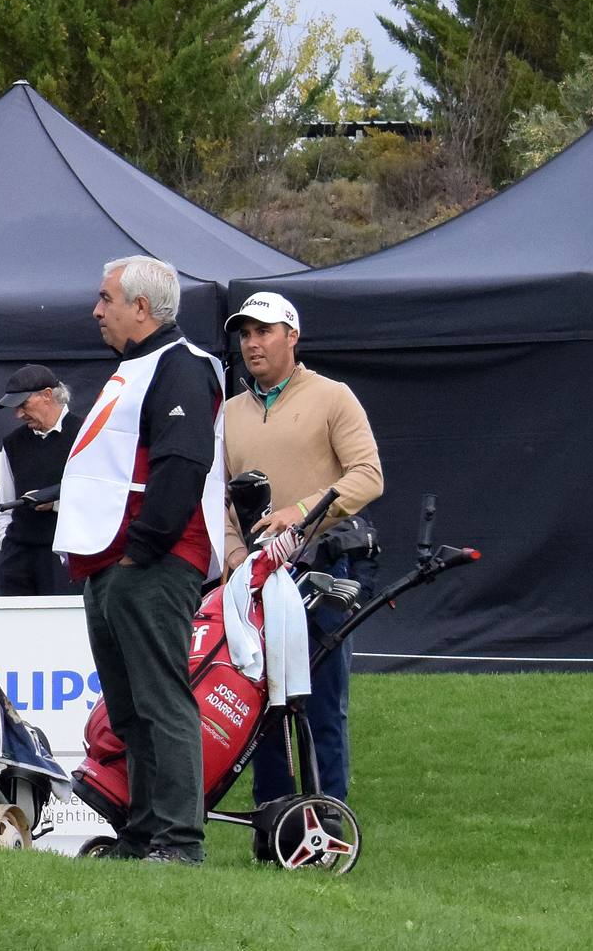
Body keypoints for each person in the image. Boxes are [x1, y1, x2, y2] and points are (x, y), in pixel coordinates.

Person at [56, 256, 227, 863]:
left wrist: (144, 549)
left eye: (105, 299)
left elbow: (183, 464)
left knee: (161, 700)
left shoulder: (180, 367)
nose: (96, 310)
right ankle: (144, 831)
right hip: (113, 562)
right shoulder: (136, 369)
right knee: (129, 709)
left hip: (151, 561)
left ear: (141, 308)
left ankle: (180, 839)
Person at [221, 290, 384, 803]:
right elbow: (221, 498)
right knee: (261, 708)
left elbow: (368, 476)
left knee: (321, 704)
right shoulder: (228, 412)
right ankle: (273, 823)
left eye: (264, 331)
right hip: (256, 580)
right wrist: (231, 557)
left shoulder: (332, 396)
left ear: (292, 336)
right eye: (245, 334)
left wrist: (303, 510)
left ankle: (327, 820)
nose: (252, 343)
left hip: (320, 573)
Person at [0, 364, 72, 596]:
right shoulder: (13, 443)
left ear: (47, 395)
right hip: (18, 559)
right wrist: (7, 544)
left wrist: (56, 504)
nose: (18, 414)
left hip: (63, 558)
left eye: (23, 404)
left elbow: (100, 497)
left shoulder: (84, 433)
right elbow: (4, 505)